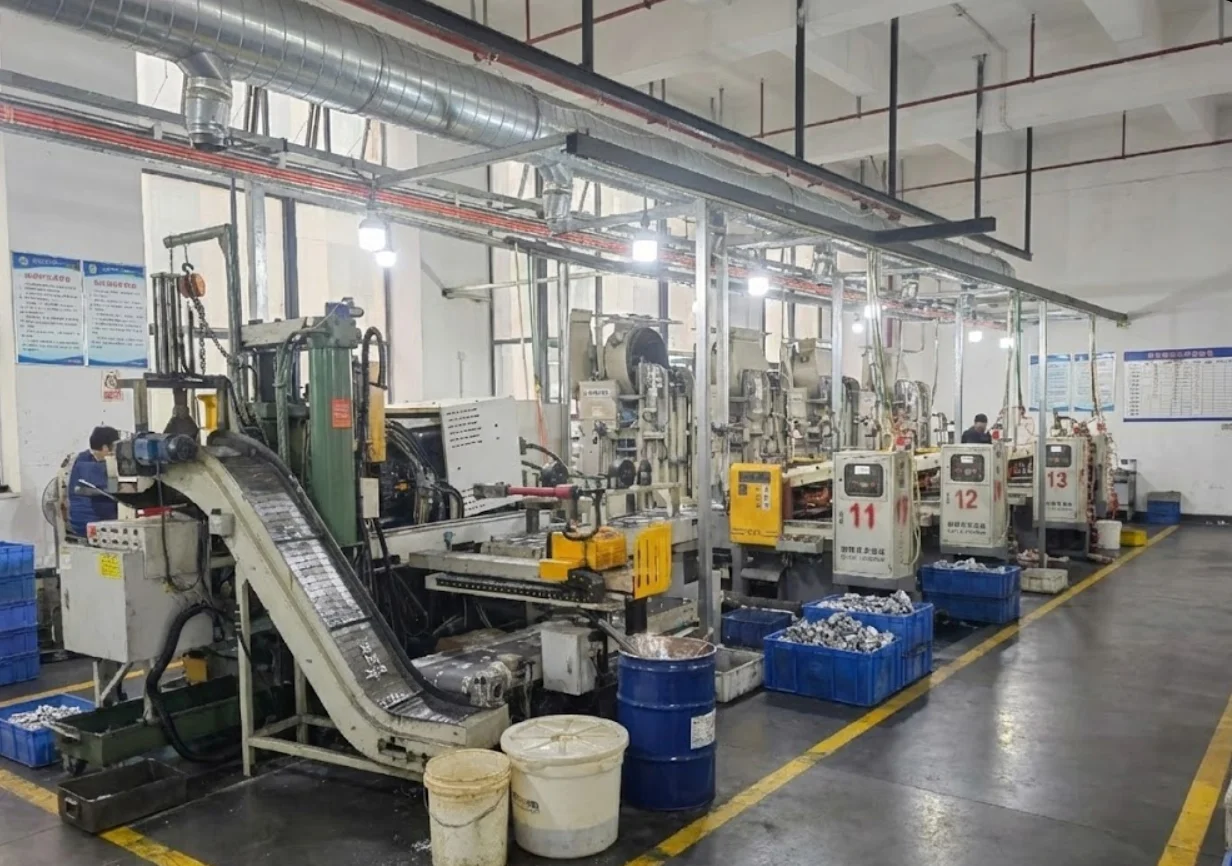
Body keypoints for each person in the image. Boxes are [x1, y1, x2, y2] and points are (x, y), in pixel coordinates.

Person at [67, 426, 122, 537]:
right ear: (105, 448)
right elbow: (115, 489)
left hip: (77, 522)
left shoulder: (81, 458)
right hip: (93, 524)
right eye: (115, 447)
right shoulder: (96, 467)